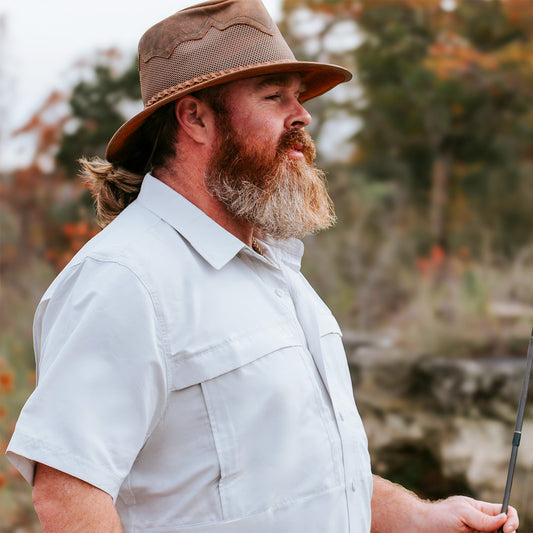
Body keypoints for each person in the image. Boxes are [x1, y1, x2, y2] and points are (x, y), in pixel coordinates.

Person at [6, 1, 519, 532]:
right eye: (274, 96)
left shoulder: (276, 268)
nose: (302, 116)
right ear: (196, 118)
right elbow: (67, 496)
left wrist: (420, 517)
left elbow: (305, 481)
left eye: (299, 97)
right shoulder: (125, 279)